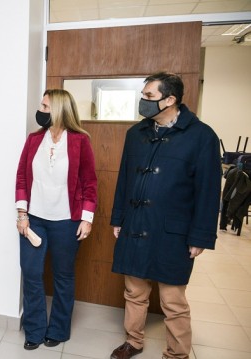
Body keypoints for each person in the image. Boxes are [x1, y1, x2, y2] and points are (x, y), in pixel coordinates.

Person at [109, 72, 221, 359]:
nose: (142, 101)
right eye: (143, 95)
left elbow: (208, 191)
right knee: (134, 292)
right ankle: (132, 341)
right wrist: (118, 219)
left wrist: (200, 236)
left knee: (173, 301)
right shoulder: (136, 134)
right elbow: (124, 181)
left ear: (170, 100)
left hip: (174, 231)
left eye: (149, 96)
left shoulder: (201, 136)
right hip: (135, 225)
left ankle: (177, 354)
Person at [15, 89, 97, 350]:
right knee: (31, 272)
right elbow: (21, 178)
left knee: (63, 275)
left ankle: (58, 329)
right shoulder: (33, 139)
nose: (40, 110)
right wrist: (21, 214)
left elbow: (89, 182)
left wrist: (87, 218)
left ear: (60, 109)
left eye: (45, 106)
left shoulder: (80, 141)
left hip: (67, 220)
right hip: (34, 220)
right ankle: (34, 329)